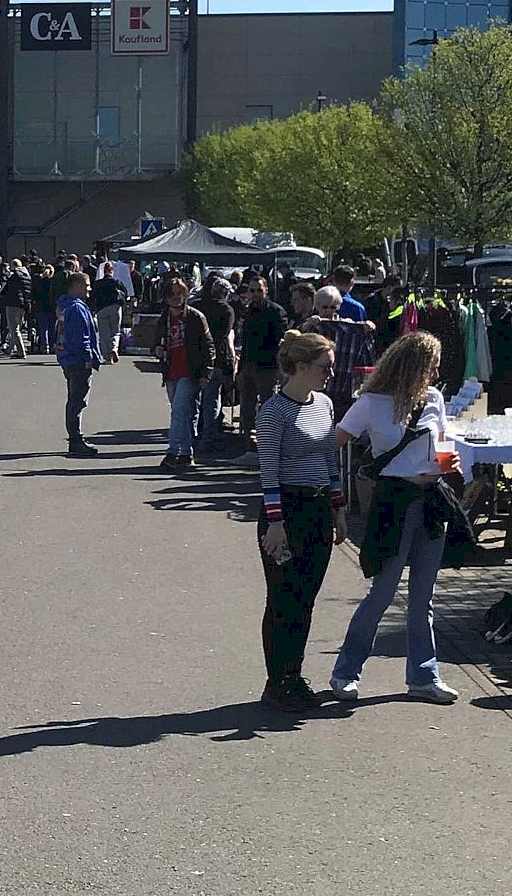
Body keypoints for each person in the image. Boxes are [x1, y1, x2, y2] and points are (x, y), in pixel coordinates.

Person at [327, 332, 461, 704]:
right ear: (414, 365)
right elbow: (333, 441)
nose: (437, 370)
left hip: (432, 499)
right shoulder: (370, 403)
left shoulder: (434, 398)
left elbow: (444, 442)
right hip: (394, 501)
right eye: (432, 363)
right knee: (382, 592)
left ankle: (424, 675)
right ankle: (345, 672)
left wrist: (449, 467)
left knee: (424, 597)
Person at [256, 332, 343, 711]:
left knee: (306, 598)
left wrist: (339, 507)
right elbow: (268, 472)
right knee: (283, 598)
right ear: (302, 366)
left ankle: (295, 674)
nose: (331, 373)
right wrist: (276, 523)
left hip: (318, 508)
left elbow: (330, 459)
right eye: (326, 366)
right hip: (285, 512)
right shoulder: (274, 411)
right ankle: (277, 680)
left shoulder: (324, 404)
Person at [156, 276, 214, 472]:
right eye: (172, 294)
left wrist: (207, 372)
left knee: (179, 411)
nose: (176, 298)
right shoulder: (165, 317)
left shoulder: (196, 317)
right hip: (171, 370)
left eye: (180, 294)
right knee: (184, 414)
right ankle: (187, 453)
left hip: (190, 372)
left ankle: (172, 452)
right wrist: (156, 349)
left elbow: (208, 346)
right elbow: (157, 340)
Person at [237, 278, 290, 448]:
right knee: (247, 409)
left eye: (259, 290)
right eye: (252, 291)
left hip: (268, 367)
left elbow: (281, 341)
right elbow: (243, 342)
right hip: (248, 365)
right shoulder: (246, 311)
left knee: (267, 408)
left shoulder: (276, 311)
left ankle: (267, 444)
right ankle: (249, 445)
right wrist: (239, 369)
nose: (255, 294)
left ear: (266, 290)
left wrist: (278, 368)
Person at [55, 271, 102, 457]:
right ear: (76, 285)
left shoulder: (65, 306)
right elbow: (79, 337)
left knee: (75, 399)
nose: (89, 289)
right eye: (87, 285)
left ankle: (76, 438)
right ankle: (76, 439)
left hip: (67, 357)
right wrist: (89, 358)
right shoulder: (76, 308)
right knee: (77, 400)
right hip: (77, 360)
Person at [194, 277, 240, 454]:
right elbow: (224, 335)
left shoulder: (197, 305)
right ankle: (208, 437)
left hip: (196, 357)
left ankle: (194, 434)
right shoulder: (226, 310)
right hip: (216, 359)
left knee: (195, 398)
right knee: (212, 399)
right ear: (226, 294)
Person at [91, 262, 128, 361]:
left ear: (104, 271)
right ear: (112, 271)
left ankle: (107, 357)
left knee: (104, 334)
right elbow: (126, 293)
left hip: (101, 309)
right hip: (115, 307)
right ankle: (114, 348)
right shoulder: (117, 282)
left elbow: (92, 296)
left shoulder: (98, 284)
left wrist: (93, 309)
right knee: (115, 332)